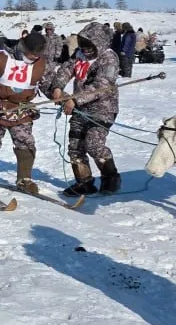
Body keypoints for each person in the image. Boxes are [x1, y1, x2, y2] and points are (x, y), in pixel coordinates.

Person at [0, 31, 54, 196]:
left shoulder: (42, 64)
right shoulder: (0, 58)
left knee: (25, 141)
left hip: (22, 109)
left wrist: (58, 95)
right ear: (22, 46)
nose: (34, 59)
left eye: (37, 56)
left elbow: (47, 85)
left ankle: (24, 179)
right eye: (31, 55)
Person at [49, 22, 122, 196]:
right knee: (75, 146)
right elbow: (66, 69)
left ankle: (111, 178)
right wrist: (58, 87)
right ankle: (84, 182)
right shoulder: (79, 54)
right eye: (83, 44)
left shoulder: (108, 58)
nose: (85, 49)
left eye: (89, 45)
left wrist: (75, 99)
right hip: (81, 108)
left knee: (94, 145)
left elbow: (101, 85)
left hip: (103, 109)